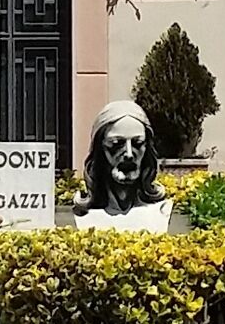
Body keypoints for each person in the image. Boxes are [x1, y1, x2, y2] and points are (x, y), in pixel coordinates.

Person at [70, 99, 174, 232]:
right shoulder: (84, 218)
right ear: (100, 149)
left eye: (138, 143)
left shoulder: (161, 214)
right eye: (117, 143)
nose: (129, 154)